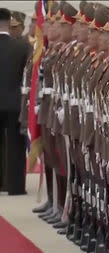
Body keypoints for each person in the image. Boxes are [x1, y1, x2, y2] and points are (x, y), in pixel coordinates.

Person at [0, 8, 29, 195]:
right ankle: (15, 186)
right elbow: (26, 77)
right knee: (16, 146)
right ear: (9, 24)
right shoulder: (22, 47)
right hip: (14, 103)